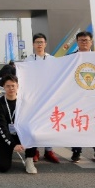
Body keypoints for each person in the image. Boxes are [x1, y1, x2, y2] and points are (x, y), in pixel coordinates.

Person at [70, 31, 95, 165]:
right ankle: (76, 151)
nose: (84, 42)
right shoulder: (70, 58)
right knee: (77, 124)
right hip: (77, 97)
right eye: (81, 40)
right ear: (77, 42)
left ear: (91, 42)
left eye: (86, 40)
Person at [23, 33, 60, 164]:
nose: (39, 44)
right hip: (34, 97)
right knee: (35, 124)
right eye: (37, 42)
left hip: (48, 97)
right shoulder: (28, 61)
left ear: (45, 44)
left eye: (41, 42)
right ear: (33, 44)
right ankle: (35, 151)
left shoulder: (52, 59)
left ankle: (49, 150)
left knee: (49, 123)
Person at [0, 75, 37, 174]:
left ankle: (29, 160)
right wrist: (13, 145)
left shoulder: (24, 101)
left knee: (33, 133)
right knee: (3, 167)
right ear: (4, 87)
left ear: (17, 86)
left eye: (13, 85)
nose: (11, 88)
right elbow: (2, 127)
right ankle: (0, 157)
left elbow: (30, 122)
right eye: (8, 86)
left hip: (21, 134)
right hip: (7, 135)